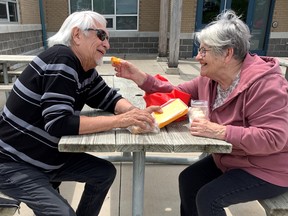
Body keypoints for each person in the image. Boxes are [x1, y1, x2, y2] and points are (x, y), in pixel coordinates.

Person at [113, 10, 288, 216]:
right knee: (188, 180)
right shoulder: (209, 79)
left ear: (227, 53)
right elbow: (175, 93)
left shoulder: (266, 85)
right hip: (231, 158)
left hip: (267, 169)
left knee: (209, 198)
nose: (197, 57)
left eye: (204, 51)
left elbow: (274, 138)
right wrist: (141, 78)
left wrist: (220, 131)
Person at [0, 11, 160, 216]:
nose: (107, 44)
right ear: (77, 35)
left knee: (104, 173)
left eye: (108, 39)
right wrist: (120, 121)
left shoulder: (84, 69)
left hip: (47, 158)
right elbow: (59, 123)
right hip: (14, 163)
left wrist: (134, 112)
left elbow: (109, 98)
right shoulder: (62, 58)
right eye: (101, 36)